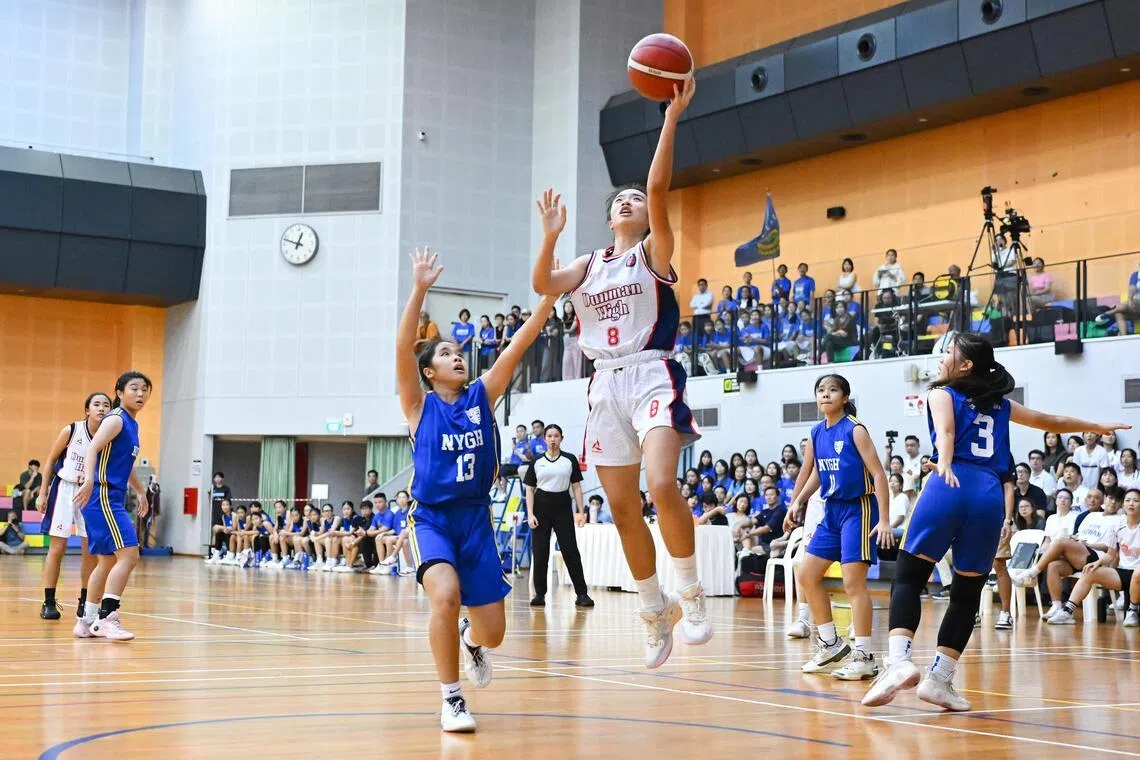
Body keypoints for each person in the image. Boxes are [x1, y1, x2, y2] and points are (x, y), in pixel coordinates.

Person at [531, 77, 713, 671]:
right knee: (624, 509)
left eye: (634, 200)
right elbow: (542, 285)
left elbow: (658, 184)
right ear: (609, 218)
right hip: (604, 384)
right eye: (619, 201)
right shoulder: (588, 264)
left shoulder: (652, 254)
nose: (628, 202)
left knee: (661, 484)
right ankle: (654, 605)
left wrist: (672, 117)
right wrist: (550, 237)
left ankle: (690, 591)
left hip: (651, 372)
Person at [862, 332, 1129, 711]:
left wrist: (947, 461)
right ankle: (939, 679)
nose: (941, 356)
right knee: (968, 592)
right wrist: (1096, 426)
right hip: (989, 495)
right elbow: (1048, 420)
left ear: (965, 365)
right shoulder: (1000, 404)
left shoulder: (941, 393)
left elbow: (947, 432)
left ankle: (900, 661)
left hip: (948, 484)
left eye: (948, 351)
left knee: (908, 575)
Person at [396, 246, 556, 733]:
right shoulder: (418, 406)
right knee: (443, 596)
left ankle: (472, 640)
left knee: (495, 633)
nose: (456, 355)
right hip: (432, 519)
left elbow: (517, 346)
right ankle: (451, 699)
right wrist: (420, 287)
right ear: (429, 372)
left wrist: (547, 303)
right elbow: (403, 348)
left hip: (476, 520)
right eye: (445, 353)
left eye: (457, 351)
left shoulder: (482, 395)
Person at [786, 374, 892, 681]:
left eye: (833, 390)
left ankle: (865, 656)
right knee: (806, 574)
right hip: (831, 510)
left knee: (853, 583)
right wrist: (798, 502)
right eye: (821, 390)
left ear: (844, 397)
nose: (826, 395)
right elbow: (818, 474)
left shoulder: (855, 430)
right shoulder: (817, 432)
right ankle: (831, 644)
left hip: (858, 508)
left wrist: (884, 519)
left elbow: (879, 475)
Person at [71, 371, 152, 641]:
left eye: (144, 390)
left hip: (109, 496)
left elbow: (125, 465)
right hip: (103, 495)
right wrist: (90, 482)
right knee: (129, 556)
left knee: (106, 561)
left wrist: (140, 492)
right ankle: (107, 617)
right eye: (134, 389)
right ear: (119, 392)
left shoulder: (131, 425)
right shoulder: (116, 419)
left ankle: (87, 621)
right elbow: (92, 448)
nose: (140, 394)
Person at [35, 392, 111, 622]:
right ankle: (48, 601)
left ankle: (85, 602)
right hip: (65, 489)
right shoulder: (71, 430)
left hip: (90, 493)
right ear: (87, 410)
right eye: (96, 404)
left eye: (106, 405)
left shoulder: (111, 436)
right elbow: (50, 461)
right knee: (57, 548)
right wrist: (42, 492)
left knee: (90, 551)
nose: (101, 408)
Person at [1047, 488, 1140, 626]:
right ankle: (1067, 612)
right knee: (1089, 571)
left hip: (1138, 574)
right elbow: (1110, 554)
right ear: (1124, 505)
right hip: (1123, 573)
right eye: (1128, 500)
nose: (1131, 503)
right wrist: (1097, 563)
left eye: (1136, 500)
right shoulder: (1117, 525)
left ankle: (1132, 611)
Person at [523, 423, 593, 608]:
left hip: (562, 506)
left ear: (561, 438)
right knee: (540, 552)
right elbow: (529, 489)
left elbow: (576, 487)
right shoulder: (537, 461)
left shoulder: (569, 460)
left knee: (570, 551)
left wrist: (580, 511)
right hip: (541, 507)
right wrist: (530, 514)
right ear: (544, 439)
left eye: (556, 436)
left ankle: (582, 593)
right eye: (549, 436)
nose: (553, 439)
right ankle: (539, 594)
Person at [561, 301, 582, 381]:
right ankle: (566, 380)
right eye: (566, 306)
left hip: (574, 340)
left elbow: (571, 329)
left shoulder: (575, 317)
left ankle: (577, 379)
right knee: (566, 361)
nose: (568, 308)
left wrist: (564, 330)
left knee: (576, 361)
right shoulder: (563, 319)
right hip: (566, 343)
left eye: (570, 306)